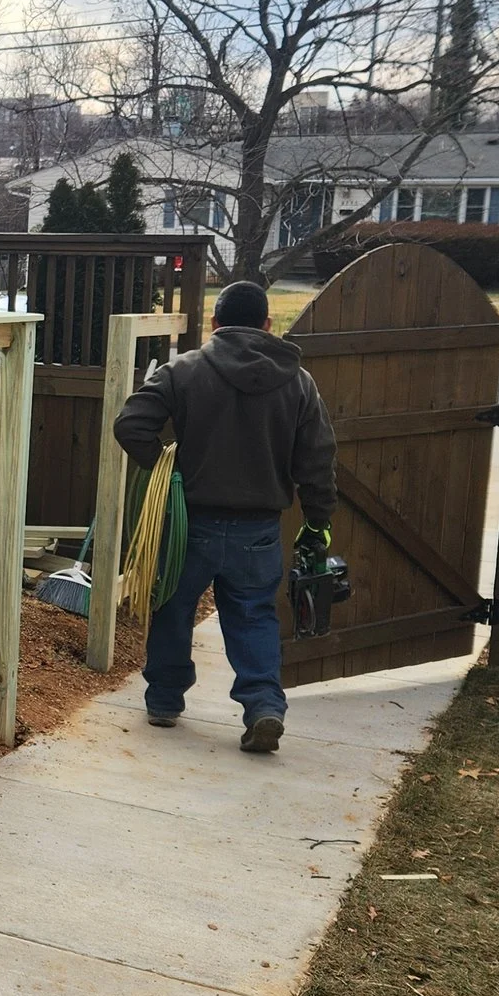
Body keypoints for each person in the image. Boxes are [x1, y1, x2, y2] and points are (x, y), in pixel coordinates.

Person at [111, 280, 336, 752]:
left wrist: (167, 466)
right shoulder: (298, 381)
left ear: (215, 324)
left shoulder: (184, 369)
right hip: (258, 529)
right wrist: (318, 522)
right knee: (253, 616)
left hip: (191, 522)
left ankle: (165, 702)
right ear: (267, 325)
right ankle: (263, 707)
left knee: (172, 605)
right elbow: (316, 460)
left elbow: (131, 424)